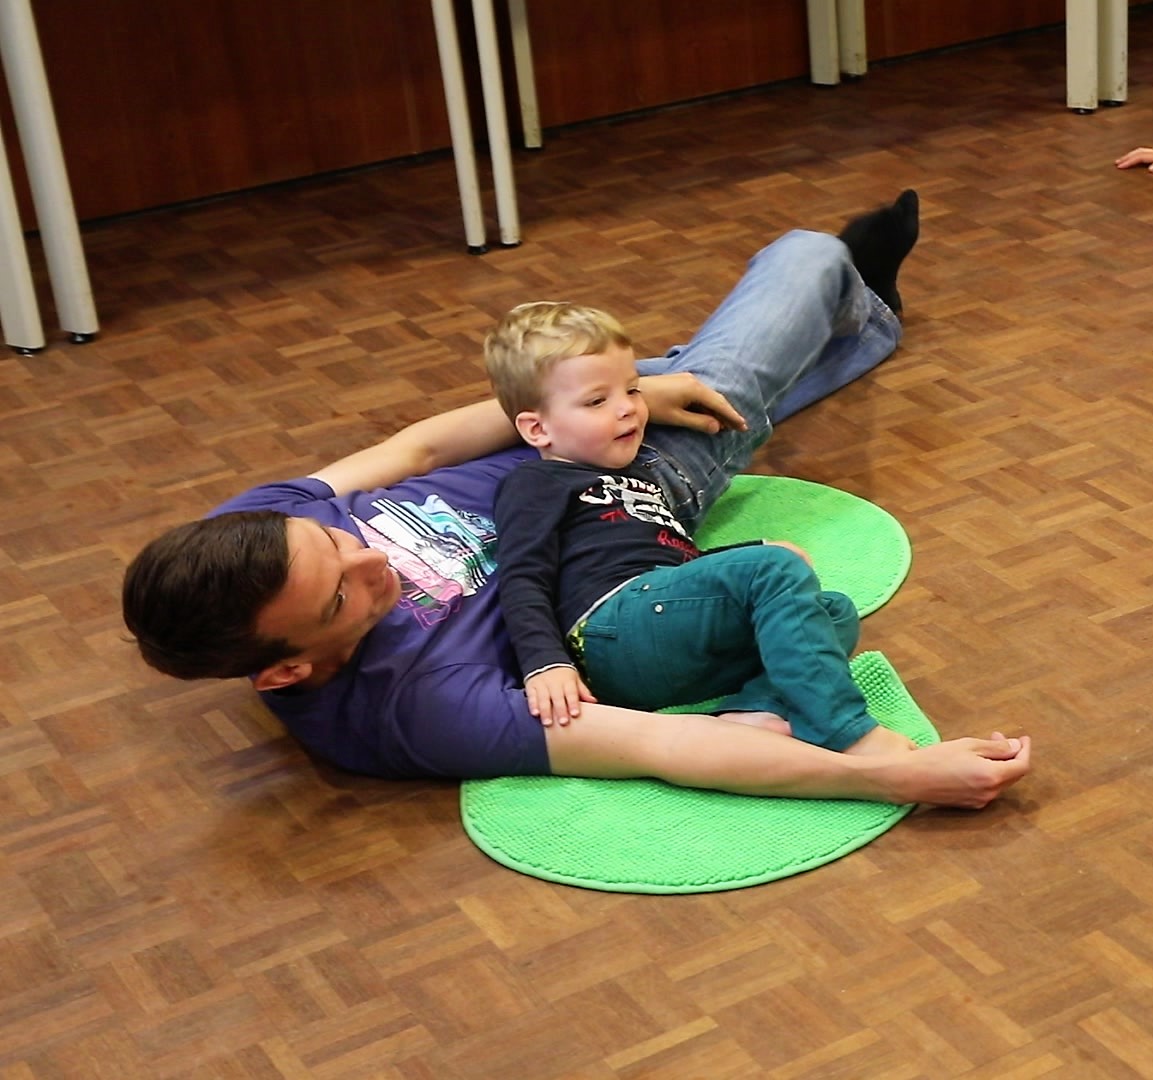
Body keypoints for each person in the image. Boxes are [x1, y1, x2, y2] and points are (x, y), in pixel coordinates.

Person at [122, 190, 1032, 809]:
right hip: (634, 493)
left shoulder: (243, 535)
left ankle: (849, 314)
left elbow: (423, 447)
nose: (370, 555)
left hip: (563, 434)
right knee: (802, 260)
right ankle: (853, 295)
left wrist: (616, 394)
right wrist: (894, 776)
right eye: (342, 592)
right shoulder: (409, 711)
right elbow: (654, 747)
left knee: (707, 368)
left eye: (334, 538)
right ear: (285, 670)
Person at [485, 298, 914, 763]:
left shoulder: (638, 478)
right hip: (613, 630)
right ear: (537, 428)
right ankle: (843, 729)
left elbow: (675, 564)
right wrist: (545, 663)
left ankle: (751, 711)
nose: (628, 410)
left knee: (831, 611)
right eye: (597, 401)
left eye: (632, 390)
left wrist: (756, 549)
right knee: (774, 571)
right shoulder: (534, 482)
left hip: (663, 631)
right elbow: (522, 575)